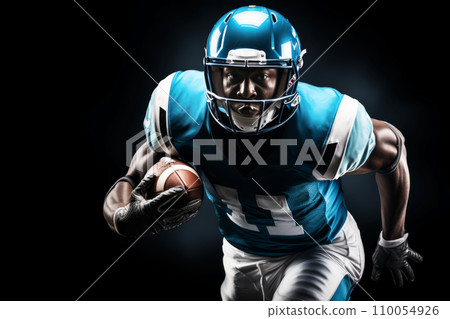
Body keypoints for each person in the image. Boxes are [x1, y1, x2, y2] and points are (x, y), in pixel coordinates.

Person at [103, 5, 422, 300]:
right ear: (212, 73)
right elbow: (135, 171)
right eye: (232, 76)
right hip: (240, 255)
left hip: (318, 252)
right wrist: (120, 216)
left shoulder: (325, 124)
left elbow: (393, 149)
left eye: (261, 76)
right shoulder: (177, 108)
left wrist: (393, 239)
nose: (245, 93)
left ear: (290, 76)